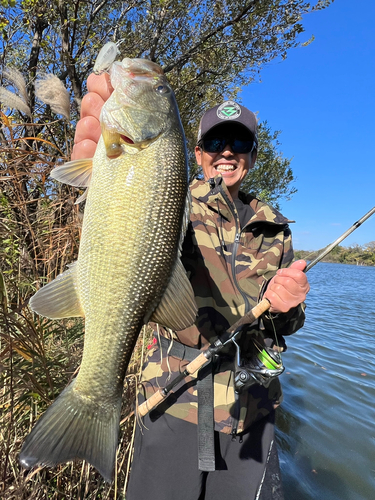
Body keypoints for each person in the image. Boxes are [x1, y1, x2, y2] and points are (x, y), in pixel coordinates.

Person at [72, 73, 310, 500]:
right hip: (174, 398)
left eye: (238, 144)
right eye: (216, 143)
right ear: (197, 152)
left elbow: (288, 324)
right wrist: (101, 173)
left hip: (251, 411)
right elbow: (122, 240)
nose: (227, 153)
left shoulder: (276, 230)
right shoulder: (171, 196)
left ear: (252, 157)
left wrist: (288, 306)